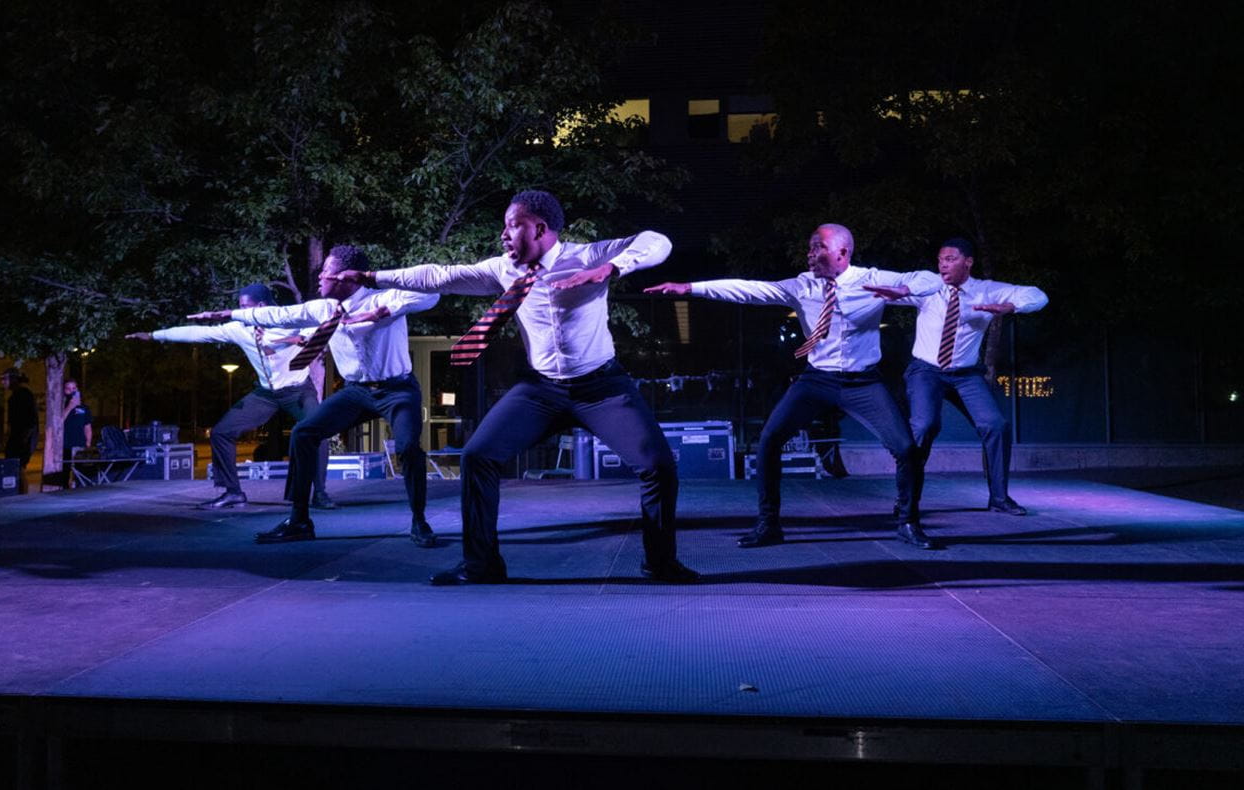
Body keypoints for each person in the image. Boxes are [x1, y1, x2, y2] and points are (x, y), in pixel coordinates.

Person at [332, 190, 699, 585]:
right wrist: (371, 277)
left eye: (512, 225)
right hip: (542, 389)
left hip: (601, 387)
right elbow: (440, 275)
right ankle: (481, 565)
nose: (504, 235)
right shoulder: (502, 269)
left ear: (539, 228)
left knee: (659, 467)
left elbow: (657, 241)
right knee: (478, 456)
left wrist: (611, 269)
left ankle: (659, 562)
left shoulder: (589, 255)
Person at [646, 223, 943, 550]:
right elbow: (749, 289)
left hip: (863, 382)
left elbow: (929, 279)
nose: (810, 254)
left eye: (818, 248)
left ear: (842, 253)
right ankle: (769, 523)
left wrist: (905, 289)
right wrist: (690, 288)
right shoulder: (801, 286)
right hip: (817, 379)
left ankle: (907, 521)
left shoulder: (870, 280)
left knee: (906, 449)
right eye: (810, 247)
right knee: (770, 440)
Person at [187, 248, 440, 545]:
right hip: (356, 391)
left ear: (346, 277)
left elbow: (431, 295)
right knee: (304, 433)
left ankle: (419, 522)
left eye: (326, 272)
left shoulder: (382, 298)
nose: (319, 277)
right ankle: (299, 520)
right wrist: (229, 314)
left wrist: (383, 311)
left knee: (409, 448)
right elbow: (279, 315)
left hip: (396, 389)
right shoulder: (323, 309)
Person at [128, 284, 335, 510]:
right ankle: (233, 492)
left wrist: (301, 339)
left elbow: (315, 327)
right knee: (221, 433)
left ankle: (320, 493)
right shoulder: (240, 329)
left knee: (318, 431)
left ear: (261, 306)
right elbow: (199, 333)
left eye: (245, 307)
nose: (240, 311)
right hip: (265, 393)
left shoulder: (288, 321)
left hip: (297, 390)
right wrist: (153, 335)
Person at [888, 237, 1048, 515]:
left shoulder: (986, 291)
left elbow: (1037, 295)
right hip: (926, 370)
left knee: (996, 425)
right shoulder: (931, 289)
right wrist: (892, 290)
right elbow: (900, 288)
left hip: (965, 374)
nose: (943, 265)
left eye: (949, 259)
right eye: (940, 260)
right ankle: (906, 500)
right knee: (924, 427)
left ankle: (999, 498)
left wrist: (1010, 306)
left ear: (968, 262)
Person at [0, 368, 38, 493]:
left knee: (18, 467)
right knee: (14, 467)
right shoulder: (16, 395)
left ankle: (22, 495)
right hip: (17, 438)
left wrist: (23, 440)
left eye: (4, 379)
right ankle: (18, 493)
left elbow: (30, 420)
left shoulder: (24, 394)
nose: (2, 382)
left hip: (22, 439)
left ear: (13, 379)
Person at [59, 379, 93, 487]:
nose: (72, 391)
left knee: (80, 473)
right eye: (68, 389)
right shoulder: (61, 406)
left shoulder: (84, 408)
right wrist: (70, 407)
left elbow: (87, 427)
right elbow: (58, 423)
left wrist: (88, 443)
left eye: (74, 388)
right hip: (65, 445)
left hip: (80, 445)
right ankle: (64, 491)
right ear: (64, 391)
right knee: (65, 473)